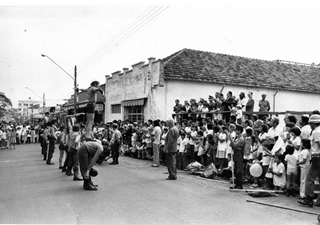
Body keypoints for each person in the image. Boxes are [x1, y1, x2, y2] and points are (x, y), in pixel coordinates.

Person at [298, 114, 320, 207]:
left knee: (309, 178)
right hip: (317, 156)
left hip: (317, 157)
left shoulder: (316, 132)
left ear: (313, 123)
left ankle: (309, 198)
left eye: (310, 123)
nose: (309, 125)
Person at [227, 124, 245, 189]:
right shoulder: (237, 137)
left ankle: (239, 184)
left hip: (239, 153)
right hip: (235, 153)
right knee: (236, 168)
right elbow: (231, 144)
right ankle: (236, 183)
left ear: (239, 131)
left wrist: (230, 138)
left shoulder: (241, 138)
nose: (236, 131)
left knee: (239, 169)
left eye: (236, 130)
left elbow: (234, 145)